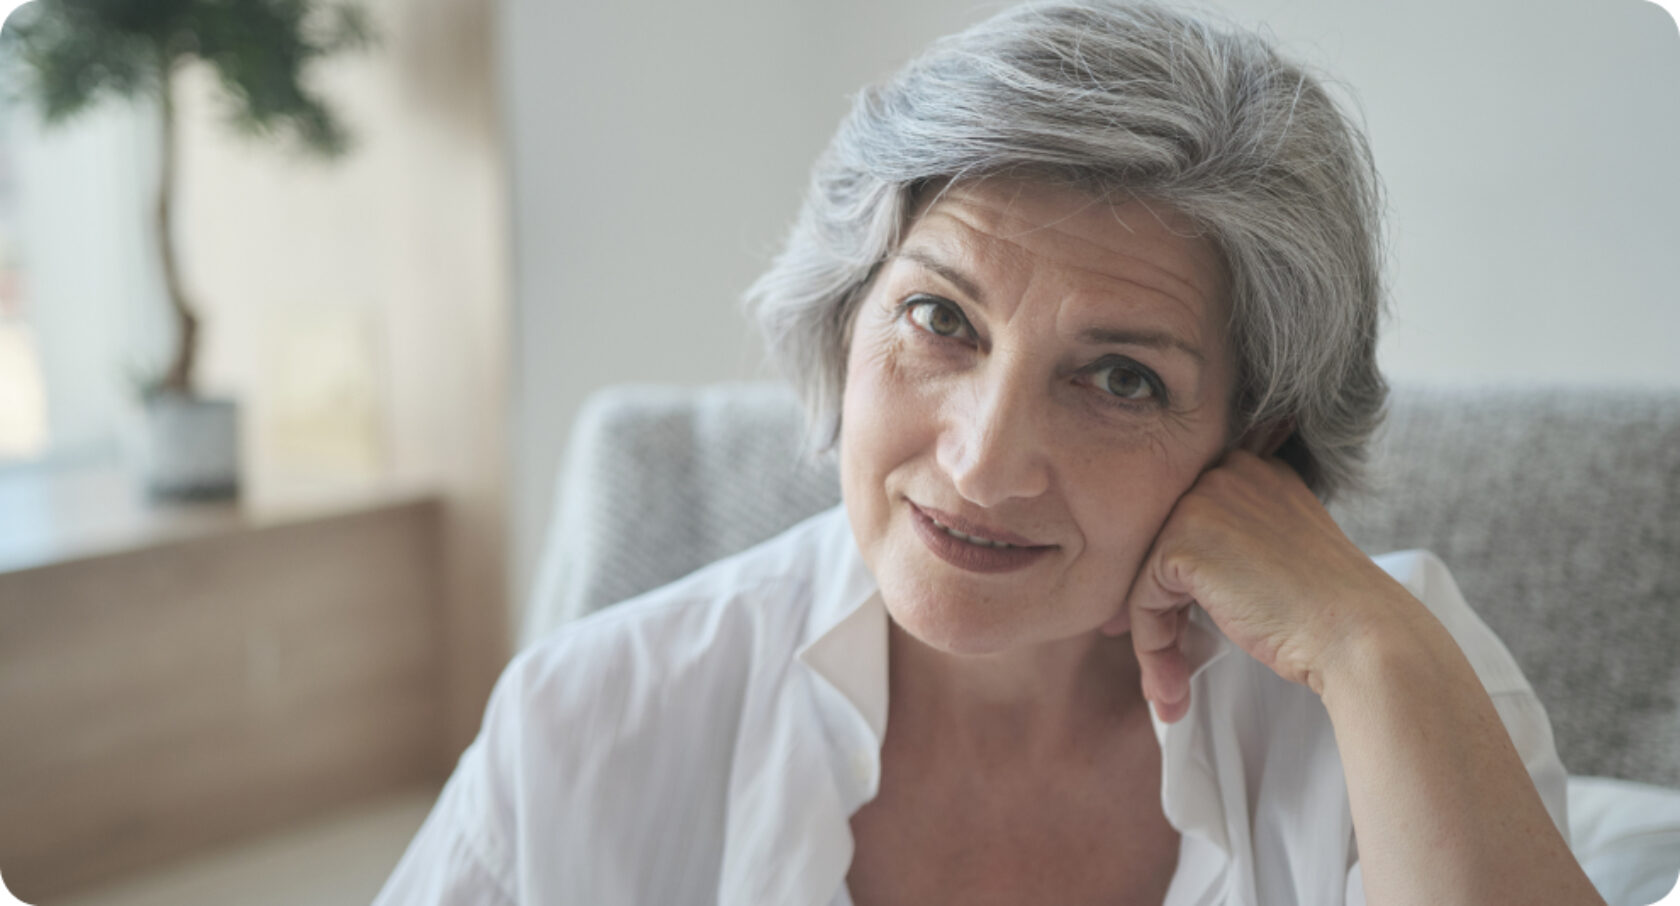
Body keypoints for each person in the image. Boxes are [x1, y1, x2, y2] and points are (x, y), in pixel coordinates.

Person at [374, 2, 1606, 903]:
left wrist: (1371, 647)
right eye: (939, 318)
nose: (982, 465)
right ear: (845, 316)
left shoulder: (1397, 687)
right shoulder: (587, 723)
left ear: (1254, 439)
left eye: (1120, 379)